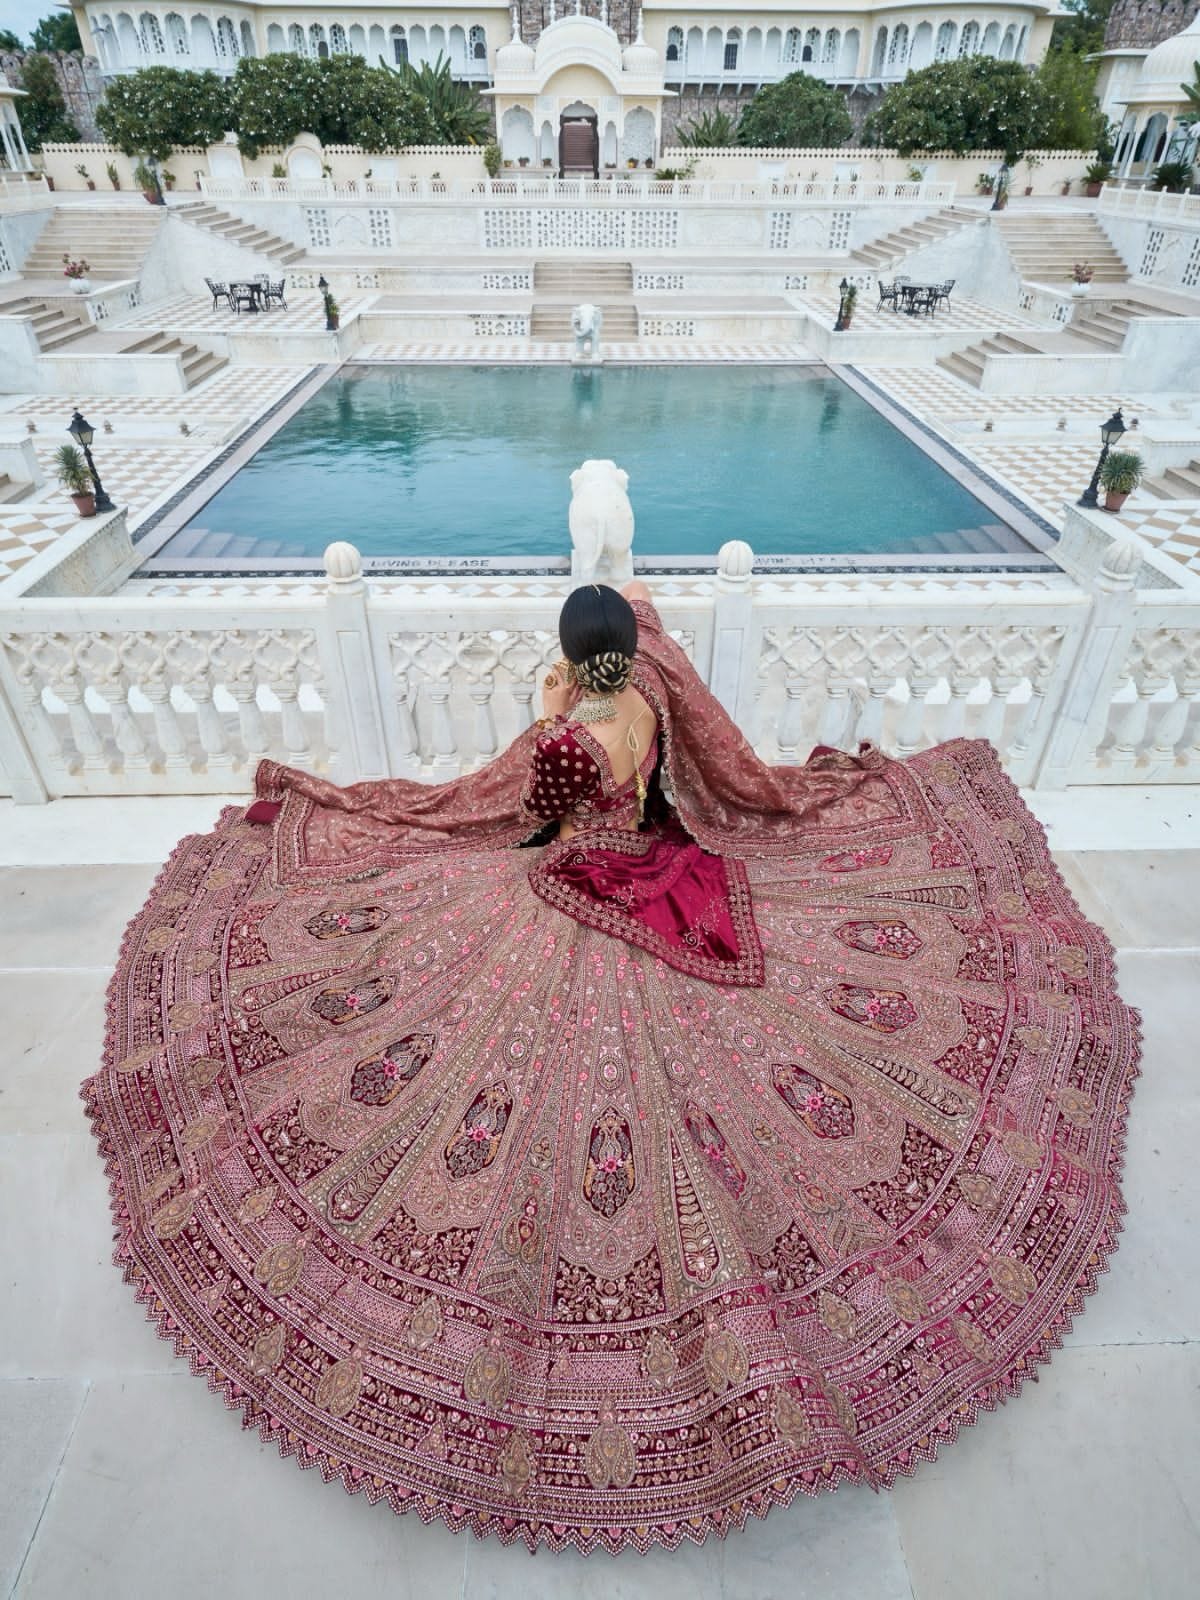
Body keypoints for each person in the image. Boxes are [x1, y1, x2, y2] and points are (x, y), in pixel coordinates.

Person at [84, 582, 1139, 1555]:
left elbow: (544, 807)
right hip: (664, 858)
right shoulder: (648, 686)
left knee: (433, 1017)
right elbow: (636, 674)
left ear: (572, 656)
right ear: (626, 651)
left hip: (588, 876)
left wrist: (546, 710)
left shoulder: (577, 733)